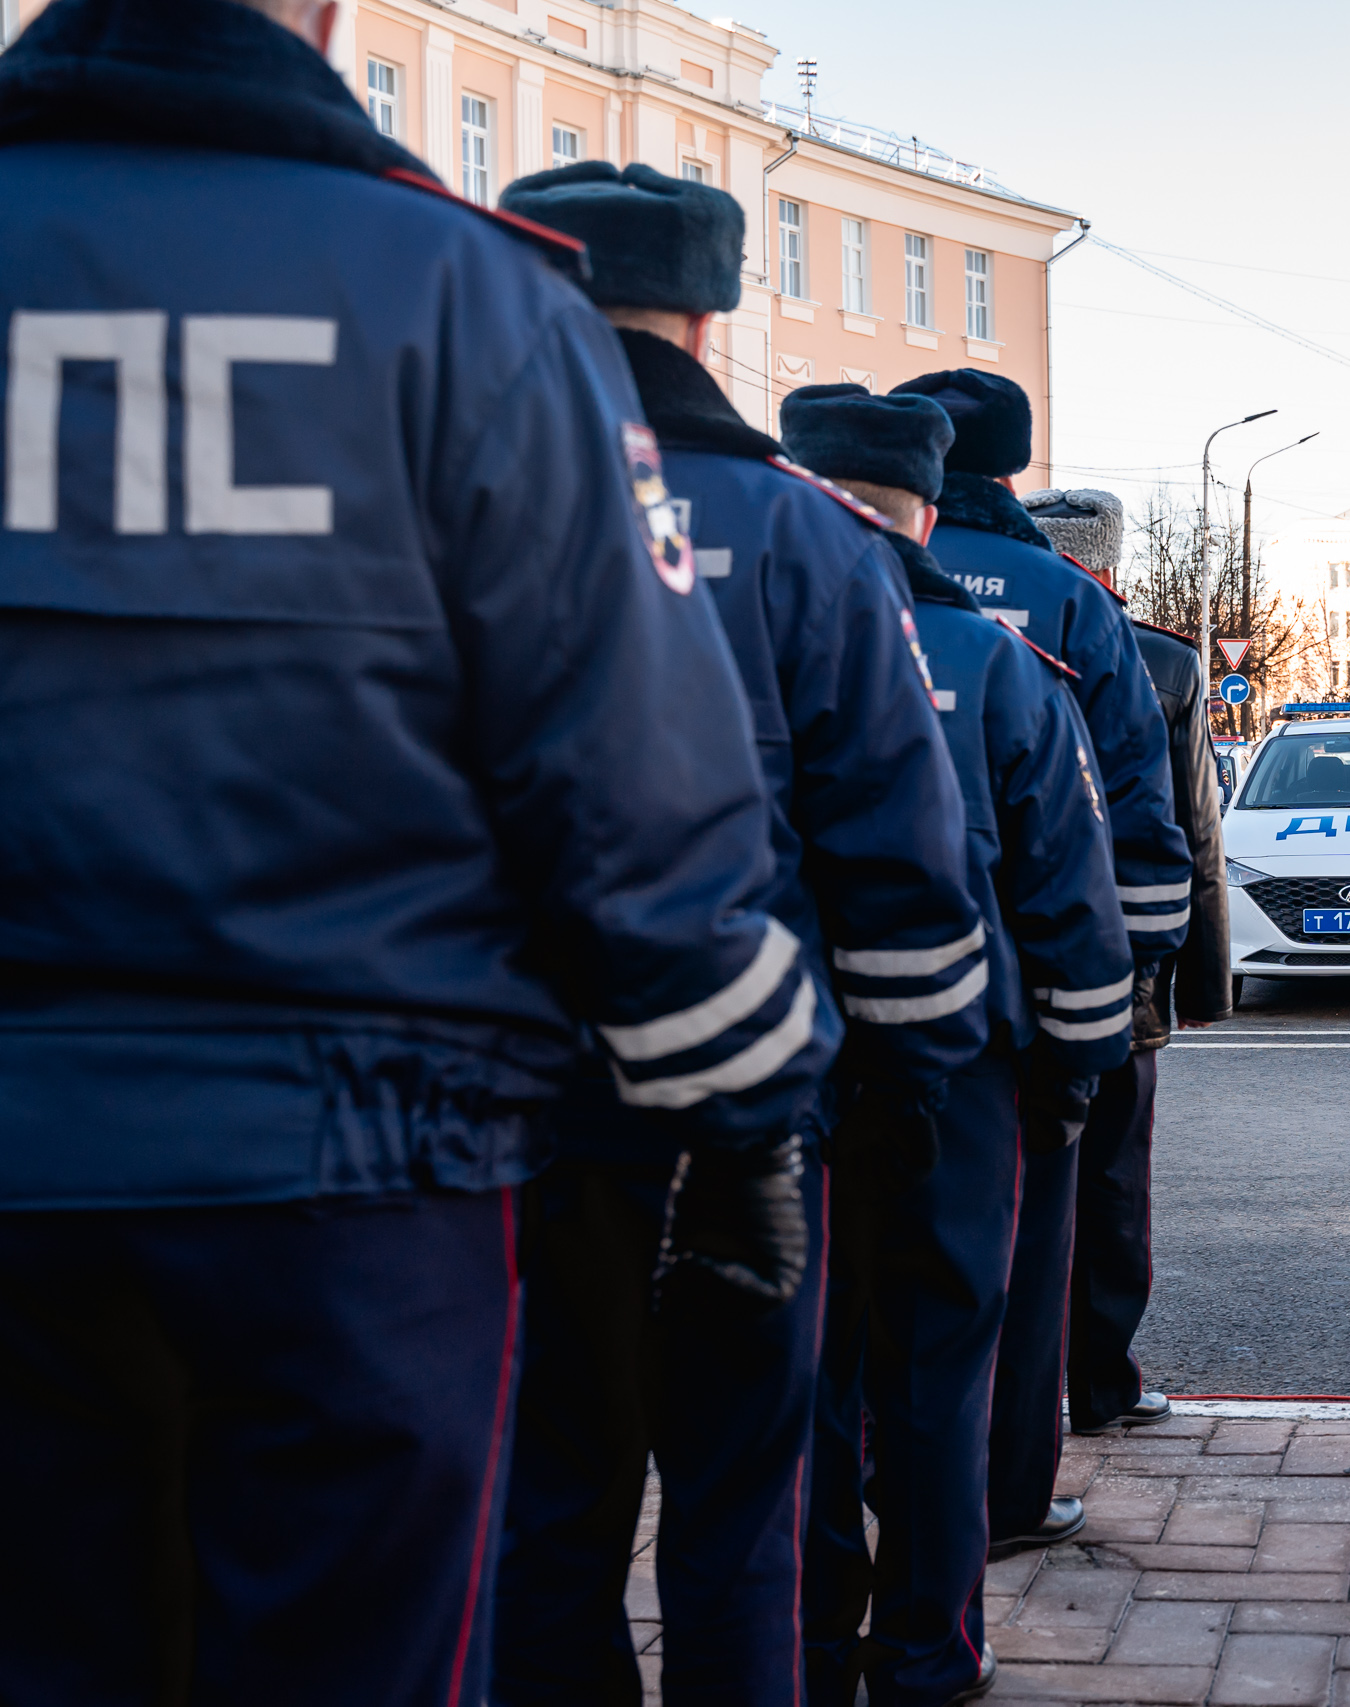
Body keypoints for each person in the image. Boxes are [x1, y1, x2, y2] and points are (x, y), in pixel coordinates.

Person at [0, 5, 832, 1702]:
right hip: (363, 1177)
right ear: (321, 14)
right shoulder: (472, 297)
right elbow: (636, 796)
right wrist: (746, 1118)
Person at [485, 166, 989, 1706]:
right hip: (753, 1112)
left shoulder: (456, 499)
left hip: (507, 1110)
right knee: (742, 1501)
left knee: (545, 1497)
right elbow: (907, 858)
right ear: (713, 313)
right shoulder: (810, 537)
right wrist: (902, 1096)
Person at [780, 386, 1133, 1707]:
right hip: (962, 1076)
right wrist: (1075, 1072)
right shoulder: (997, 663)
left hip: (783, 1068)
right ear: (928, 510)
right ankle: (931, 1645)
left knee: (803, 1367)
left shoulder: (734, 638)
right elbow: (1069, 894)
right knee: (940, 1363)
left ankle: (805, 1641)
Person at [889, 372, 1190, 1547]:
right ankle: (1008, 1499)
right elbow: (1134, 814)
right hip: (1028, 991)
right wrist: (1128, 988)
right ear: (1012, 467)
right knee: (1019, 1253)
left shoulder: (826, 582)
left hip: (836, 989)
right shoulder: (1064, 598)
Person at [1026, 488, 1234, 1434]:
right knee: (1110, 1186)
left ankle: (1006, 1399)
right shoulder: (1161, 660)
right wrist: (1200, 986)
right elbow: (1194, 838)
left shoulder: (942, 620)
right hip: (1123, 973)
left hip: (992, 970)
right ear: (1109, 563)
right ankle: (1101, 1383)